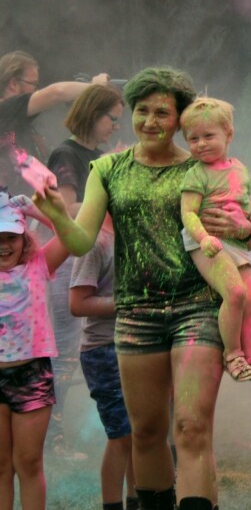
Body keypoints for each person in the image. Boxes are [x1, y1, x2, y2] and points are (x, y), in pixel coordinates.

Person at [35, 67, 251, 510]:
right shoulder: (108, 168)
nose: (151, 121)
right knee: (147, 433)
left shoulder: (202, 166)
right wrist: (59, 215)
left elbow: (240, 233)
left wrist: (247, 226)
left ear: (180, 119)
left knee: (192, 427)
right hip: (134, 314)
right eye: (141, 111)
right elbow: (80, 240)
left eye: (162, 112)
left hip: (196, 307)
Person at [45, 83, 124, 453]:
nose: (115, 127)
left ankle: (55, 433)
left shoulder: (101, 153)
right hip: (67, 264)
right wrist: (106, 200)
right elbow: (66, 208)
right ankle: (52, 438)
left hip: (88, 261)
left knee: (73, 350)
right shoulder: (67, 153)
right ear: (93, 114)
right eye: (112, 119)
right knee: (62, 353)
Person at [179, 97, 251, 385]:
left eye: (208, 136)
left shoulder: (239, 168)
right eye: (193, 139)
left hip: (237, 244)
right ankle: (233, 356)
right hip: (208, 243)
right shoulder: (196, 173)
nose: (201, 144)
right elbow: (188, 213)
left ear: (228, 134)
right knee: (235, 293)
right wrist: (204, 237)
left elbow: (246, 200)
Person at [0, 190, 67, 510]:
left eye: (10, 235)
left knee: (28, 463)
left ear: (23, 235)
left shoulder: (38, 264)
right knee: (1, 467)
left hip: (31, 376)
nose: (3, 244)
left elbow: (69, 237)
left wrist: (39, 213)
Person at [69, 213, 138, 510]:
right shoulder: (94, 242)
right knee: (122, 436)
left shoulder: (137, 235)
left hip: (136, 345)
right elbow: (77, 303)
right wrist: (129, 303)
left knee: (141, 434)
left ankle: (139, 501)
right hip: (103, 350)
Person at [0, 51, 109, 195]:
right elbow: (57, 92)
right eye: (33, 84)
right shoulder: (5, 110)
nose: (36, 90)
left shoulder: (19, 121)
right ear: (13, 83)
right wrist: (95, 86)